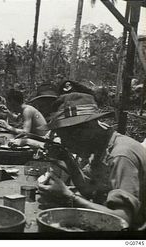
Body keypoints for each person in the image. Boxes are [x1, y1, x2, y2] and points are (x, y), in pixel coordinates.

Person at [32, 92, 145, 230]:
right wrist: (67, 159)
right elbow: (88, 189)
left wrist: (70, 197)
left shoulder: (121, 156)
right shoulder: (101, 147)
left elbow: (122, 219)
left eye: (66, 138)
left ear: (84, 130)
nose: (65, 144)